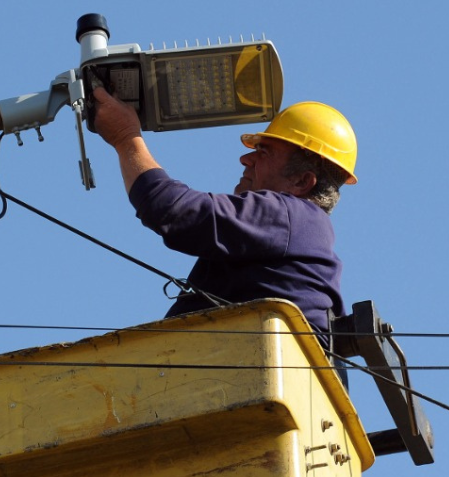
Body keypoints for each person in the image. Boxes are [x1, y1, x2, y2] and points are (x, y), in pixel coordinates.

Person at [90, 86, 358, 335]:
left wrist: (125, 137)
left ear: (301, 182)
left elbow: (170, 208)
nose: (245, 159)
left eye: (264, 153)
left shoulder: (292, 217)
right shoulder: (301, 235)